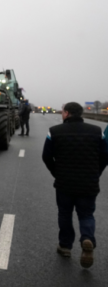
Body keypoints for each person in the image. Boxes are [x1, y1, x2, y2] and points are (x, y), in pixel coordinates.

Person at [42, 102, 108, 268]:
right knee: (86, 214)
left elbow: (46, 156)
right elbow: (105, 155)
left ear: (66, 113)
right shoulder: (97, 131)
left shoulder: (54, 131)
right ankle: (87, 239)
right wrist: (96, 173)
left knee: (65, 213)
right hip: (89, 183)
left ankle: (65, 246)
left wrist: (56, 172)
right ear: (81, 113)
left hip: (64, 183)